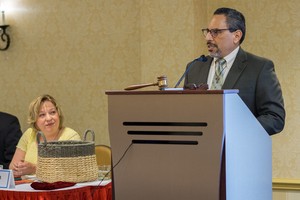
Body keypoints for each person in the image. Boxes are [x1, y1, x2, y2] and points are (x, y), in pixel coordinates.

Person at [183, 7, 285, 135]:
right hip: (198, 151)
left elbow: (274, 118)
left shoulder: (259, 68)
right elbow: (185, 112)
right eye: (208, 31)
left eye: (215, 32)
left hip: (240, 151)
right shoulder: (194, 67)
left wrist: (235, 131)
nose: (208, 38)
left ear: (236, 36)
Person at [9, 94, 81, 177]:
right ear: (34, 120)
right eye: (42, 115)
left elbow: (71, 171)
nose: (49, 118)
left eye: (52, 112)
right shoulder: (30, 134)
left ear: (59, 114)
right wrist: (18, 168)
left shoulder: (71, 136)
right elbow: (12, 168)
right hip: (28, 187)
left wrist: (34, 169)